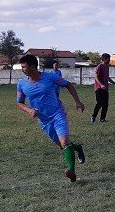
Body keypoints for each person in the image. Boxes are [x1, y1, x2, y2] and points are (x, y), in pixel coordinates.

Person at [15, 54, 87, 182]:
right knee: (63, 146)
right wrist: (29, 110)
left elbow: (68, 84)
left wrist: (77, 101)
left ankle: (72, 172)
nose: (22, 69)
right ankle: (78, 148)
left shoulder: (49, 77)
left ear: (32, 66)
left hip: (57, 114)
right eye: (22, 67)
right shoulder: (21, 84)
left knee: (64, 142)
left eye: (24, 67)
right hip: (44, 120)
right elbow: (19, 102)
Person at [91, 53, 115, 123]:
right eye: (108, 58)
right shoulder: (100, 66)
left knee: (105, 104)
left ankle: (102, 119)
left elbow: (107, 78)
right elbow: (95, 76)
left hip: (105, 89)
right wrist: (101, 84)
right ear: (105, 59)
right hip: (98, 88)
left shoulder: (107, 67)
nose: (109, 60)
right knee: (100, 103)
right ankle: (93, 116)